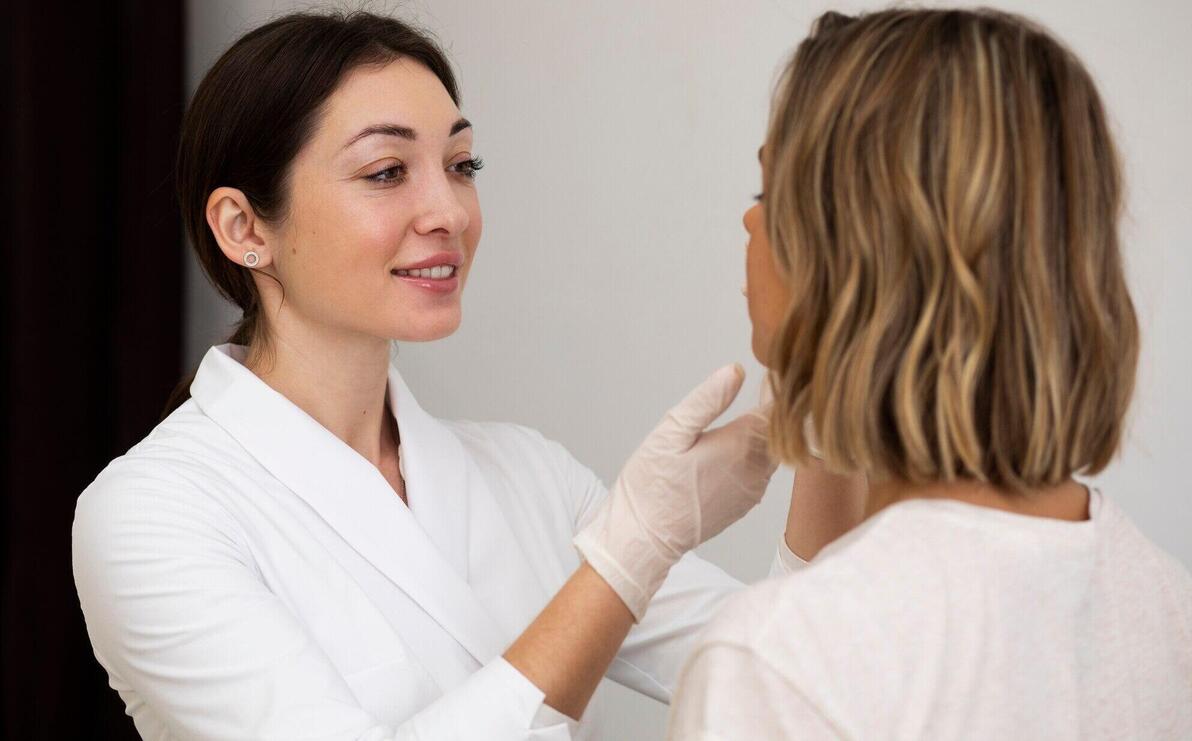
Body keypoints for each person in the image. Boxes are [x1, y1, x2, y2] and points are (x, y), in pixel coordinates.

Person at [70, 10, 847, 740]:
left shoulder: (525, 473)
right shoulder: (149, 515)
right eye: (385, 171)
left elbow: (794, 685)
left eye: (460, 163)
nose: (449, 209)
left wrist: (824, 427)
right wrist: (630, 553)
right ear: (245, 228)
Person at [668, 8, 1192, 739]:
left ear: (849, 249)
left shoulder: (772, 661)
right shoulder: (1171, 608)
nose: (749, 224)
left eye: (768, 193)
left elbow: (842, 647)